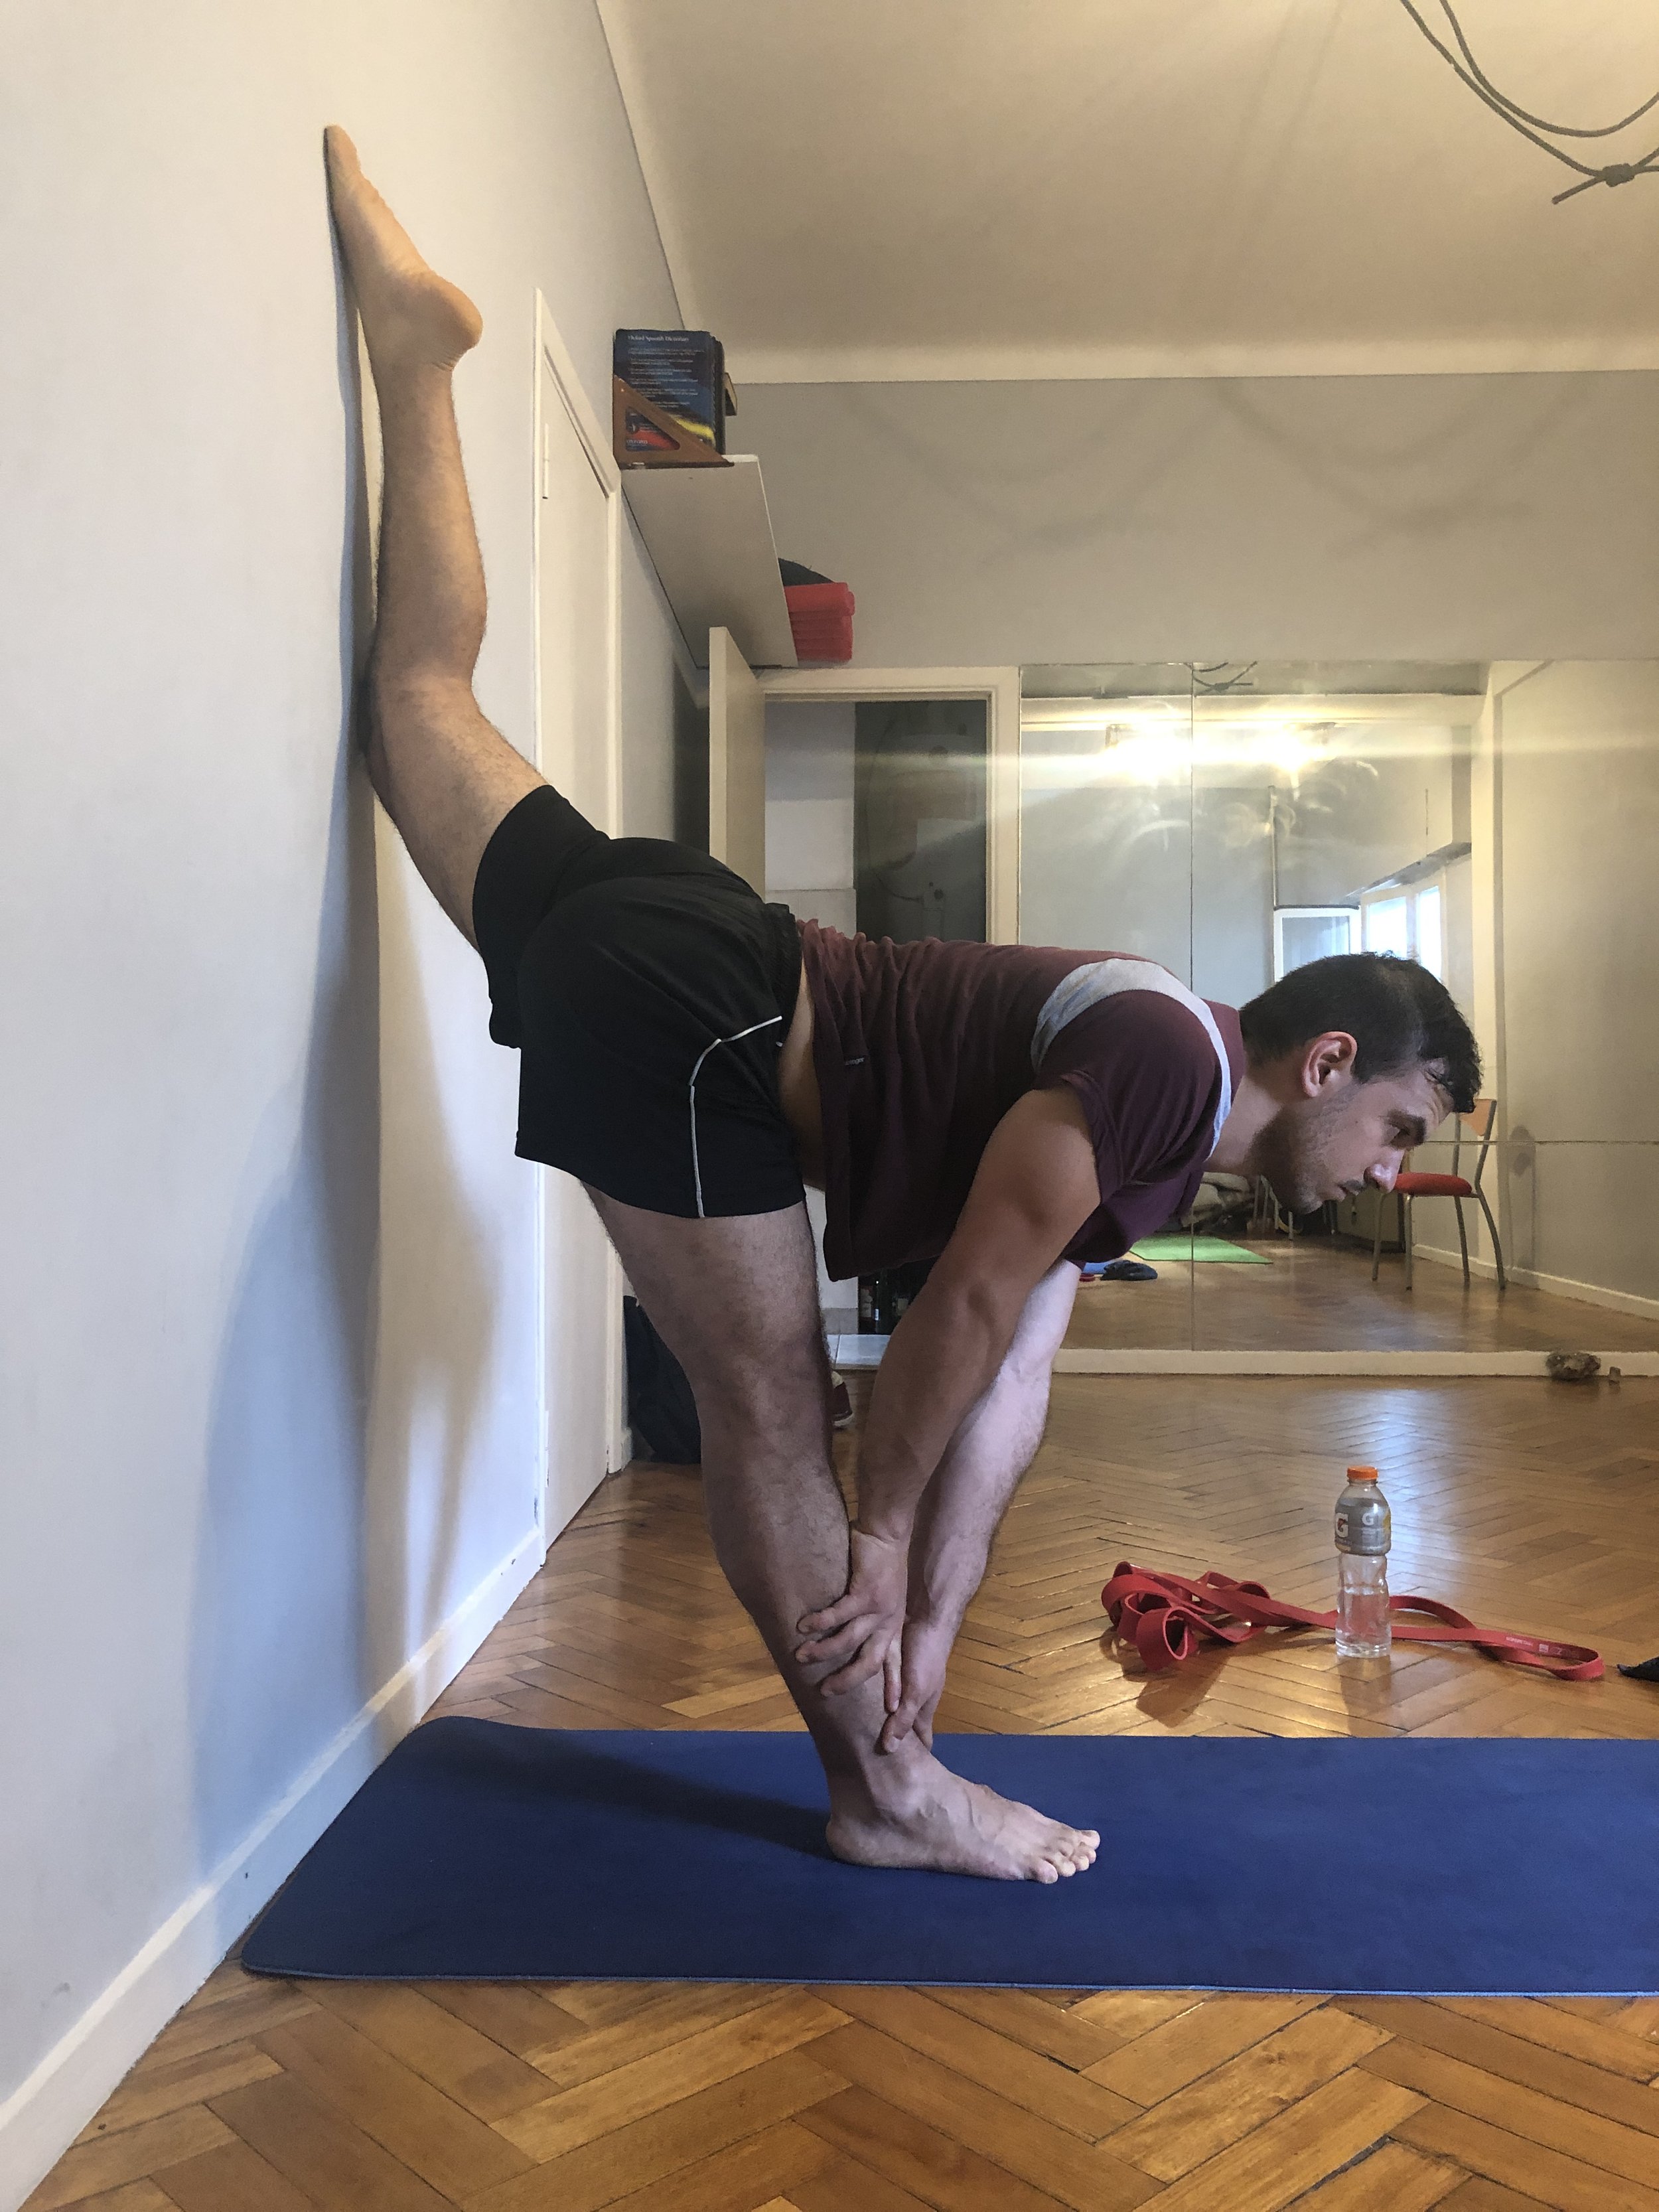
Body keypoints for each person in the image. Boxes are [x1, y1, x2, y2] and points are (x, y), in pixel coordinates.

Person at [323, 129, 1480, 1883]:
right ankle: (884, 1795)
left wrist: (928, 1623)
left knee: (421, 686)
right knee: (772, 1403)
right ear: (1325, 1059)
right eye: (1397, 1123)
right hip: (702, 1010)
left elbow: (1009, 1374)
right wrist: (873, 1529)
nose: (1390, 1165)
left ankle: (414, 354)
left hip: (688, 943)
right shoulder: (1168, 1065)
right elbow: (958, 1299)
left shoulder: (1151, 1127)